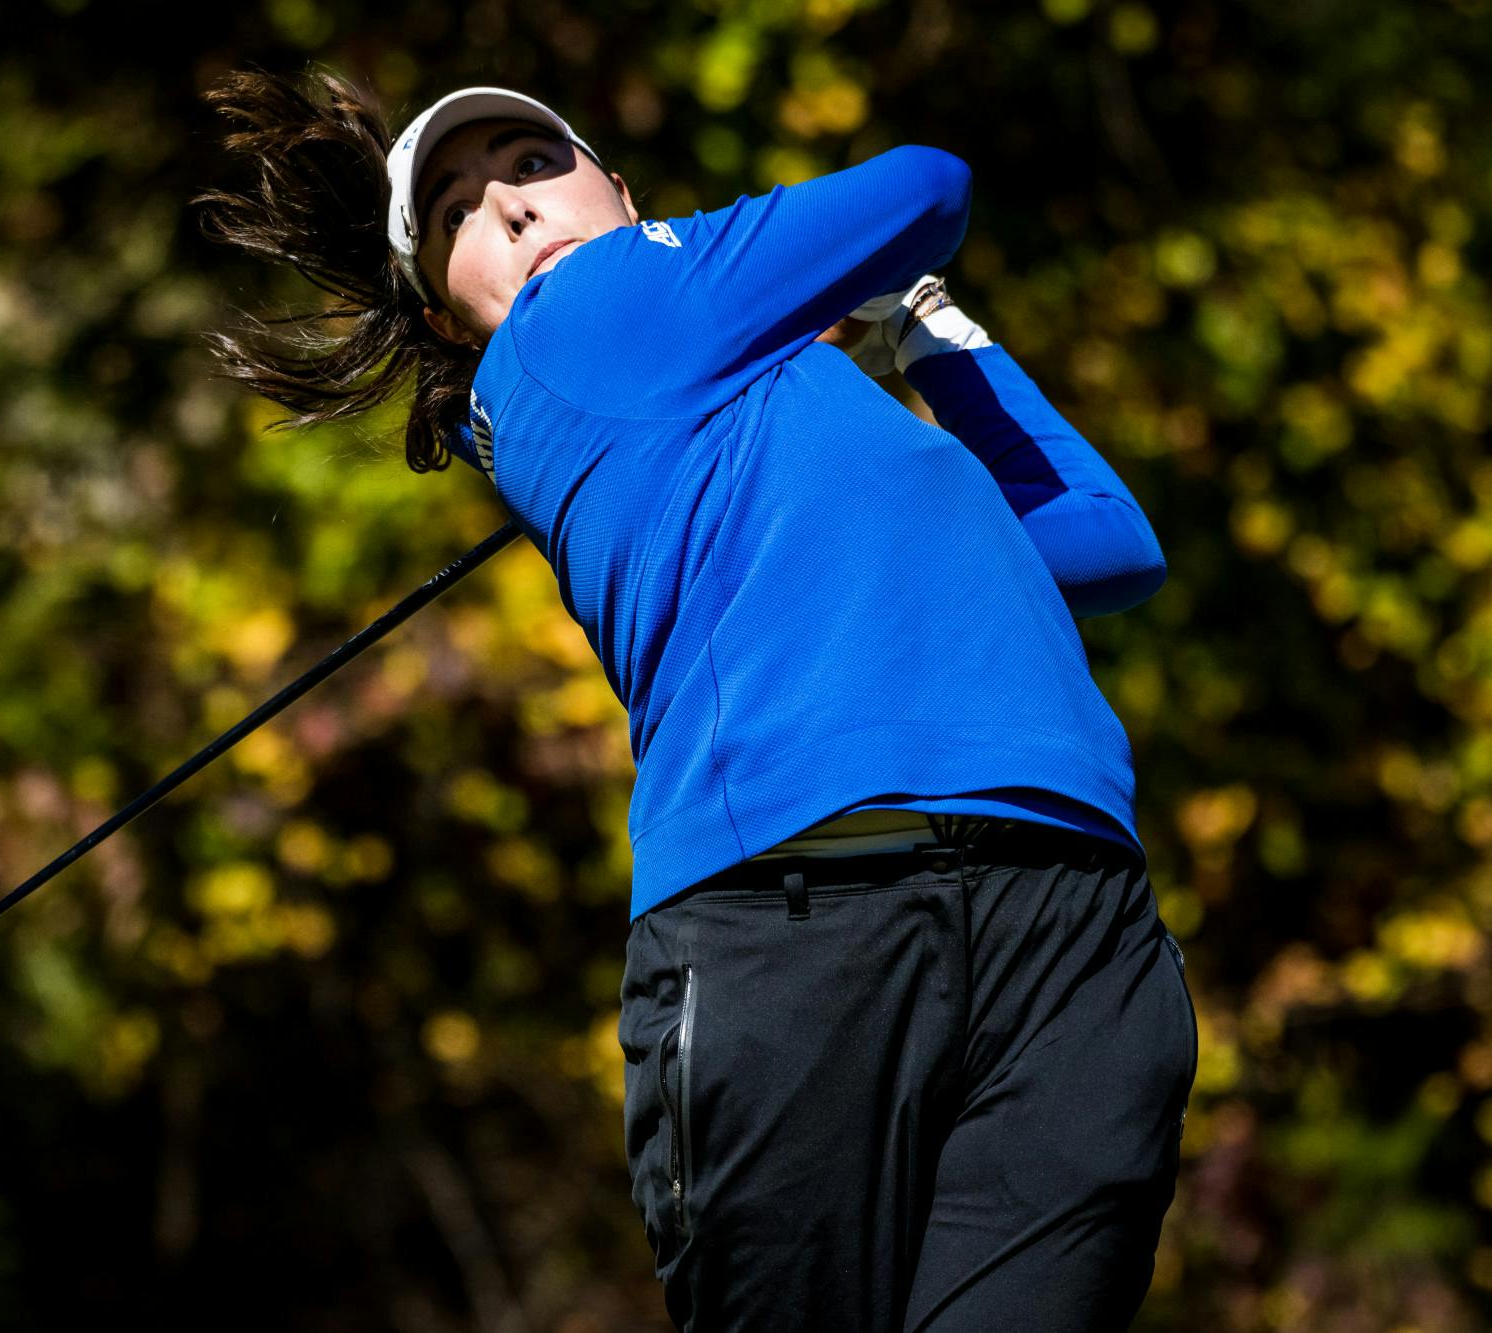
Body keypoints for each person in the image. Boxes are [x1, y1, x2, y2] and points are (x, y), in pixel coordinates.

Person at [197, 66, 1197, 1332]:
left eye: (526, 160)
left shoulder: (784, 391)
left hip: (1068, 917)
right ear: (449, 322)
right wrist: (880, 285)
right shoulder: (584, 319)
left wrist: (923, 333)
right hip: (802, 926)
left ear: (615, 186)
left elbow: (1104, 546)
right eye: (451, 212)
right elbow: (925, 185)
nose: (503, 207)